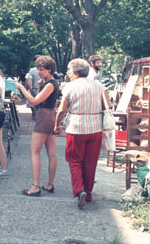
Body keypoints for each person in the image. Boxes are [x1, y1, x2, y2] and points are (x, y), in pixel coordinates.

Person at [54, 58, 107, 209]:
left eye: (69, 71)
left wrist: (57, 125)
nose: (68, 74)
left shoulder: (70, 87)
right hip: (95, 128)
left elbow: (63, 109)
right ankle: (88, 194)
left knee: (74, 160)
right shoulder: (98, 85)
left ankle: (79, 190)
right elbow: (105, 105)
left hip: (76, 128)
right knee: (90, 162)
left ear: (76, 73)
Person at [14, 56, 60, 197]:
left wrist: (21, 87)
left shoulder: (50, 84)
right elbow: (40, 98)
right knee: (51, 153)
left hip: (44, 118)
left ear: (49, 69)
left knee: (34, 152)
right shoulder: (50, 83)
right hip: (50, 117)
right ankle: (49, 184)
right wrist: (40, 86)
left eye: (42, 70)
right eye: (38, 69)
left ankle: (35, 186)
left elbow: (34, 101)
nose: (39, 72)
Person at [25, 55, 40, 120]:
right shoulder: (45, 70)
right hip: (43, 89)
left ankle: (35, 116)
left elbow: (28, 82)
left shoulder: (32, 70)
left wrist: (31, 90)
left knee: (33, 104)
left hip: (34, 89)